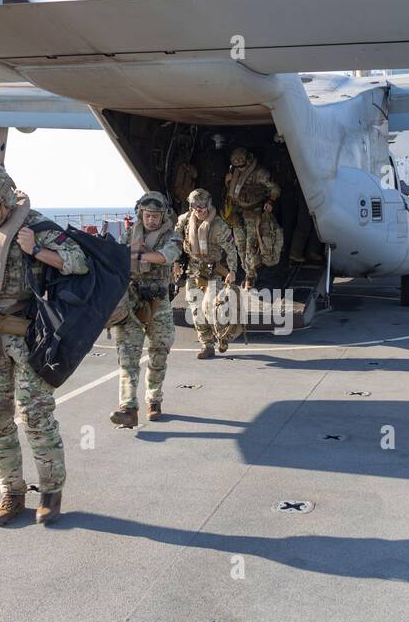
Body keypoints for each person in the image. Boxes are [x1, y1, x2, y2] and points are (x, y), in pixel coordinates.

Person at [0, 164, 88, 528]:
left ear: (7, 199)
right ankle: (12, 491)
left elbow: (77, 263)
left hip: (28, 338)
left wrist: (36, 249)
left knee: (36, 418)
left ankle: (51, 492)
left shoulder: (35, 226)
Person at [109, 192, 182, 427]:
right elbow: (115, 258)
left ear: (164, 215)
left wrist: (136, 253)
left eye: (155, 216)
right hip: (131, 302)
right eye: (147, 215)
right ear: (140, 214)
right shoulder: (130, 235)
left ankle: (154, 399)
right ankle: (128, 408)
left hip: (158, 302)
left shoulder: (172, 236)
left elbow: (165, 257)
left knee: (159, 352)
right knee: (127, 357)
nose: (151, 220)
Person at [176, 188, 239, 359]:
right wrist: (175, 261)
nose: (199, 210)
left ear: (208, 205)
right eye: (195, 206)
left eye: (202, 207)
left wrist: (232, 271)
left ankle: (223, 337)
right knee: (196, 310)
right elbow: (173, 239)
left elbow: (231, 250)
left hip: (213, 272)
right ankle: (207, 345)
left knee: (211, 308)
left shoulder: (219, 226)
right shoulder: (185, 221)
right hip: (193, 271)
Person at [224, 147, 281, 285]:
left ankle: (250, 276)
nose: (239, 167)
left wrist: (270, 201)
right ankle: (246, 270)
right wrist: (227, 182)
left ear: (248, 161)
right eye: (236, 165)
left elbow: (275, 189)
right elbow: (233, 193)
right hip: (238, 213)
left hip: (254, 212)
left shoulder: (260, 173)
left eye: (241, 165)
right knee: (240, 244)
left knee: (251, 245)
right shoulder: (235, 173)